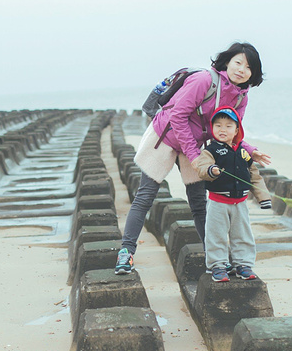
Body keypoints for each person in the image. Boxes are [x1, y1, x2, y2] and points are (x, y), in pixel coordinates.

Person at [115, 42, 271, 275]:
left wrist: (249, 149)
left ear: (254, 73)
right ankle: (125, 253)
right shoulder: (204, 81)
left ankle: (215, 258)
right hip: (165, 137)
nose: (241, 70)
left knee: (199, 203)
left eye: (248, 67)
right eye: (238, 62)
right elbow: (178, 117)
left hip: (195, 146)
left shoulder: (241, 98)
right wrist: (195, 156)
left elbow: (229, 131)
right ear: (227, 62)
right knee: (145, 196)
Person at [195, 106, 264, 281]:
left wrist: (263, 198)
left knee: (242, 234)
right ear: (212, 129)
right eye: (218, 126)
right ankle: (217, 266)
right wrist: (211, 170)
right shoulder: (210, 151)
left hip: (240, 203)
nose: (222, 129)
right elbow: (202, 167)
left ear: (236, 130)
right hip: (218, 202)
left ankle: (243, 264)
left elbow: (254, 176)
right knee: (216, 235)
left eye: (228, 126)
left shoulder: (243, 152)